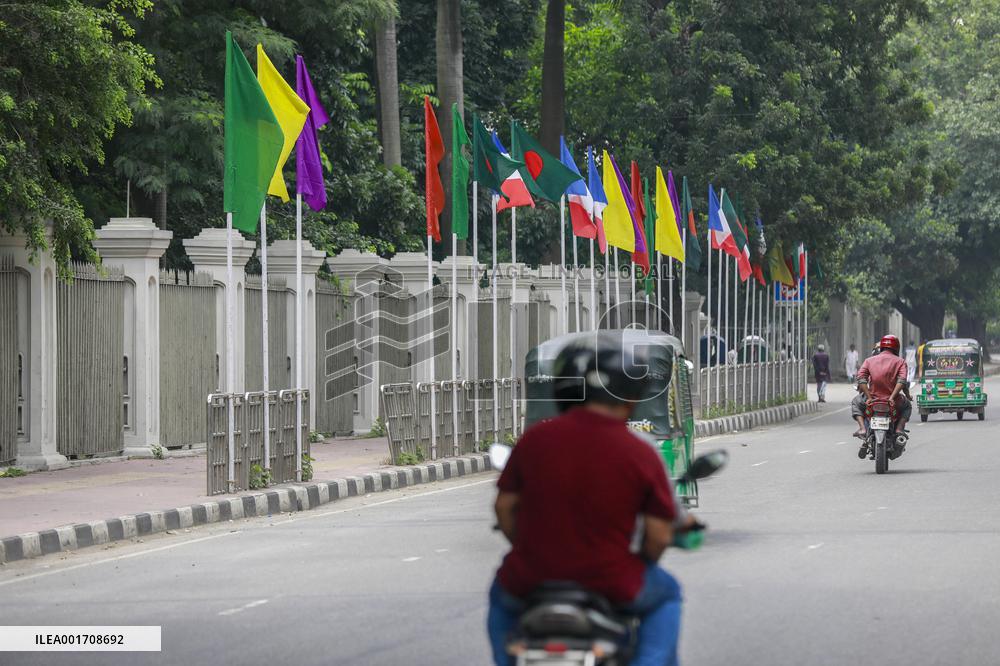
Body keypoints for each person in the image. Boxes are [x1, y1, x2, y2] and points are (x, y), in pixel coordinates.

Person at [487, 340, 687, 666]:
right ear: (629, 397)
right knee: (667, 594)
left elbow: (504, 508)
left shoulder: (535, 440)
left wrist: (524, 546)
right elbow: (660, 534)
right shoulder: (639, 450)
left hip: (531, 577)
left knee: (500, 597)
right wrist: (643, 563)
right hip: (612, 579)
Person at [855, 334, 912, 459]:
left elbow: (861, 378)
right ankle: (899, 429)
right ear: (896, 348)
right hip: (893, 402)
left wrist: (869, 397)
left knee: (856, 402)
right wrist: (892, 398)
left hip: (872, 401)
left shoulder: (869, 361)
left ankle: (862, 429)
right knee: (907, 406)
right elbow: (902, 381)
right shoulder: (900, 362)